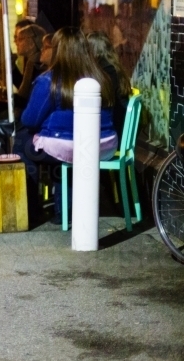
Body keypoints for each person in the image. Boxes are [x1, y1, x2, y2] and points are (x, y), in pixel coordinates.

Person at [20, 27, 117, 222]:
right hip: (106, 144)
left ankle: (31, 210)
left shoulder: (49, 80)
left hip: (72, 146)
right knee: (61, 154)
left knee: (24, 143)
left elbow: (29, 119)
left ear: (57, 50)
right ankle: (63, 210)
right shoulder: (101, 75)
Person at [87, 30, 131, 139]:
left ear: (92, 51)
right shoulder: (115, 68)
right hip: (117, 130)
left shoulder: (106, 71)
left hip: (111, 134)